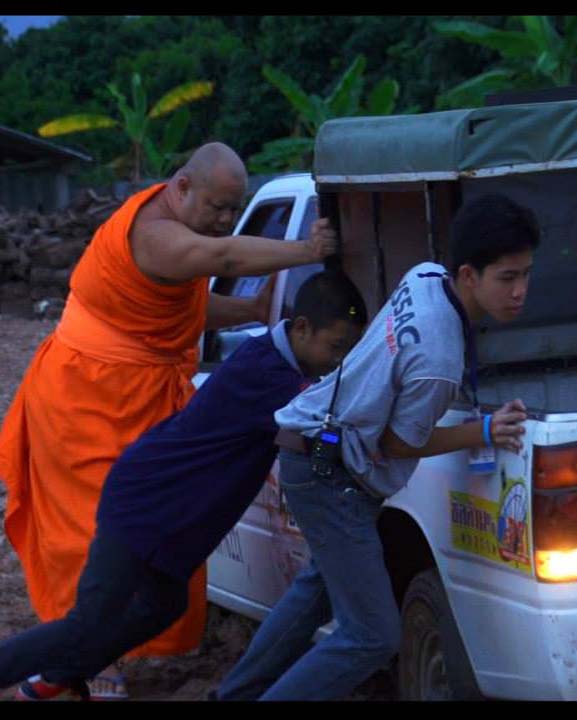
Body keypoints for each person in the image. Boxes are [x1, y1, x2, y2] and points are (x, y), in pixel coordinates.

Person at [0, 142, 338, 699]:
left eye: (235, 210)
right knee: (82, 535)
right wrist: (305, 249)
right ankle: (81, 663)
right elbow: (223, 260)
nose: (226, 221)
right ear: (180, 188)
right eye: (218, 208)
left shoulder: (181, 248)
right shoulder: (155, 233)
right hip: (85, 391)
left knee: (157, 592)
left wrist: (253, 311)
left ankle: (62, 670)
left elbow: (179, 307)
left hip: (144, 396)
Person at [216, 193, 541, 701]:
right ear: (469, 275)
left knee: (318, 588)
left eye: (525, 274)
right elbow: (394, 444)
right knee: (372, 635)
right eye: (507, 277)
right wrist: (483, 431)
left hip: (314, 441)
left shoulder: (426, 277)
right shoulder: (439, 359)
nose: (520, 291)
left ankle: (233, 696)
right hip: (325, 459)